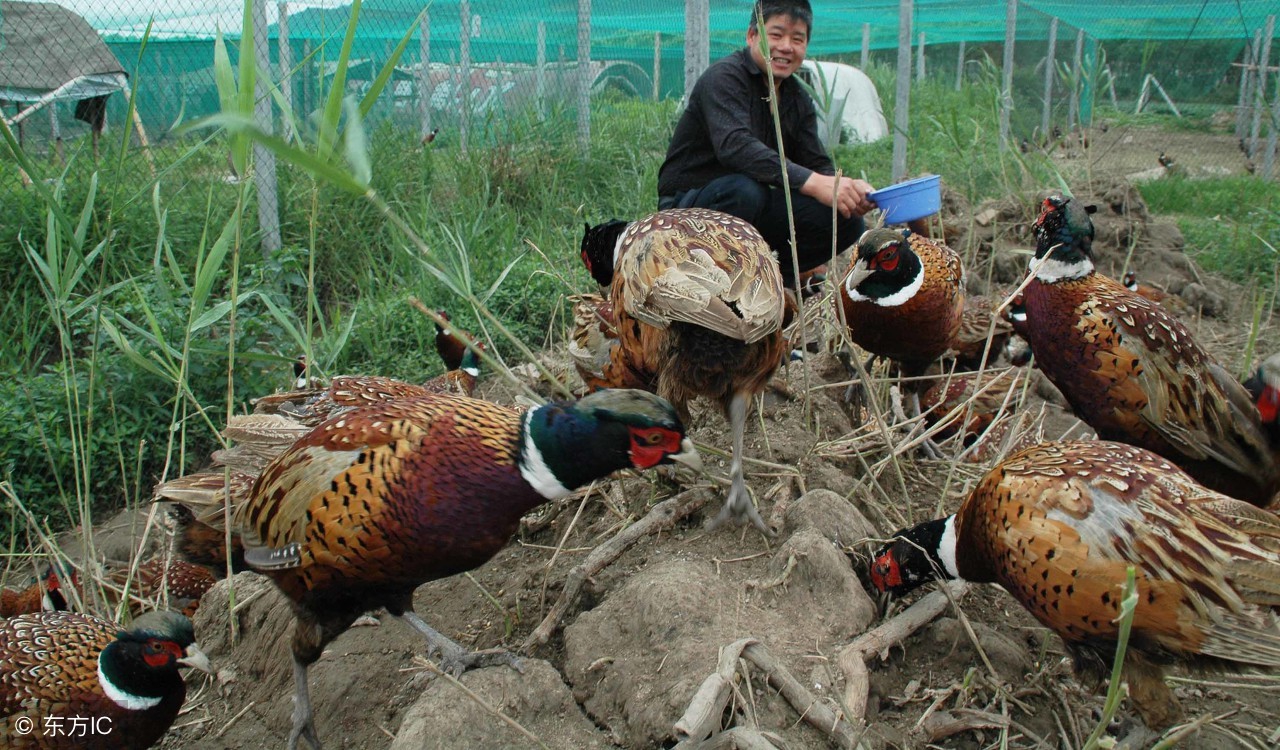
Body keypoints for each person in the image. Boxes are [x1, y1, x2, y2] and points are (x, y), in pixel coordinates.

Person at [657, 0, 875, 285]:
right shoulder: (724, 78)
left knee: (845, 220)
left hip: (749, 207)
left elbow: (815, 162)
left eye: (797, 39)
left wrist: (844, 187)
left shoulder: (797, 97)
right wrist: (812, 182)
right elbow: (735, 146)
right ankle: (705, 281)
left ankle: (767, 282)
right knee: (746, 191)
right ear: (752, 36)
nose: (786, 46)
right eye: (776, 34)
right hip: (689, 209)